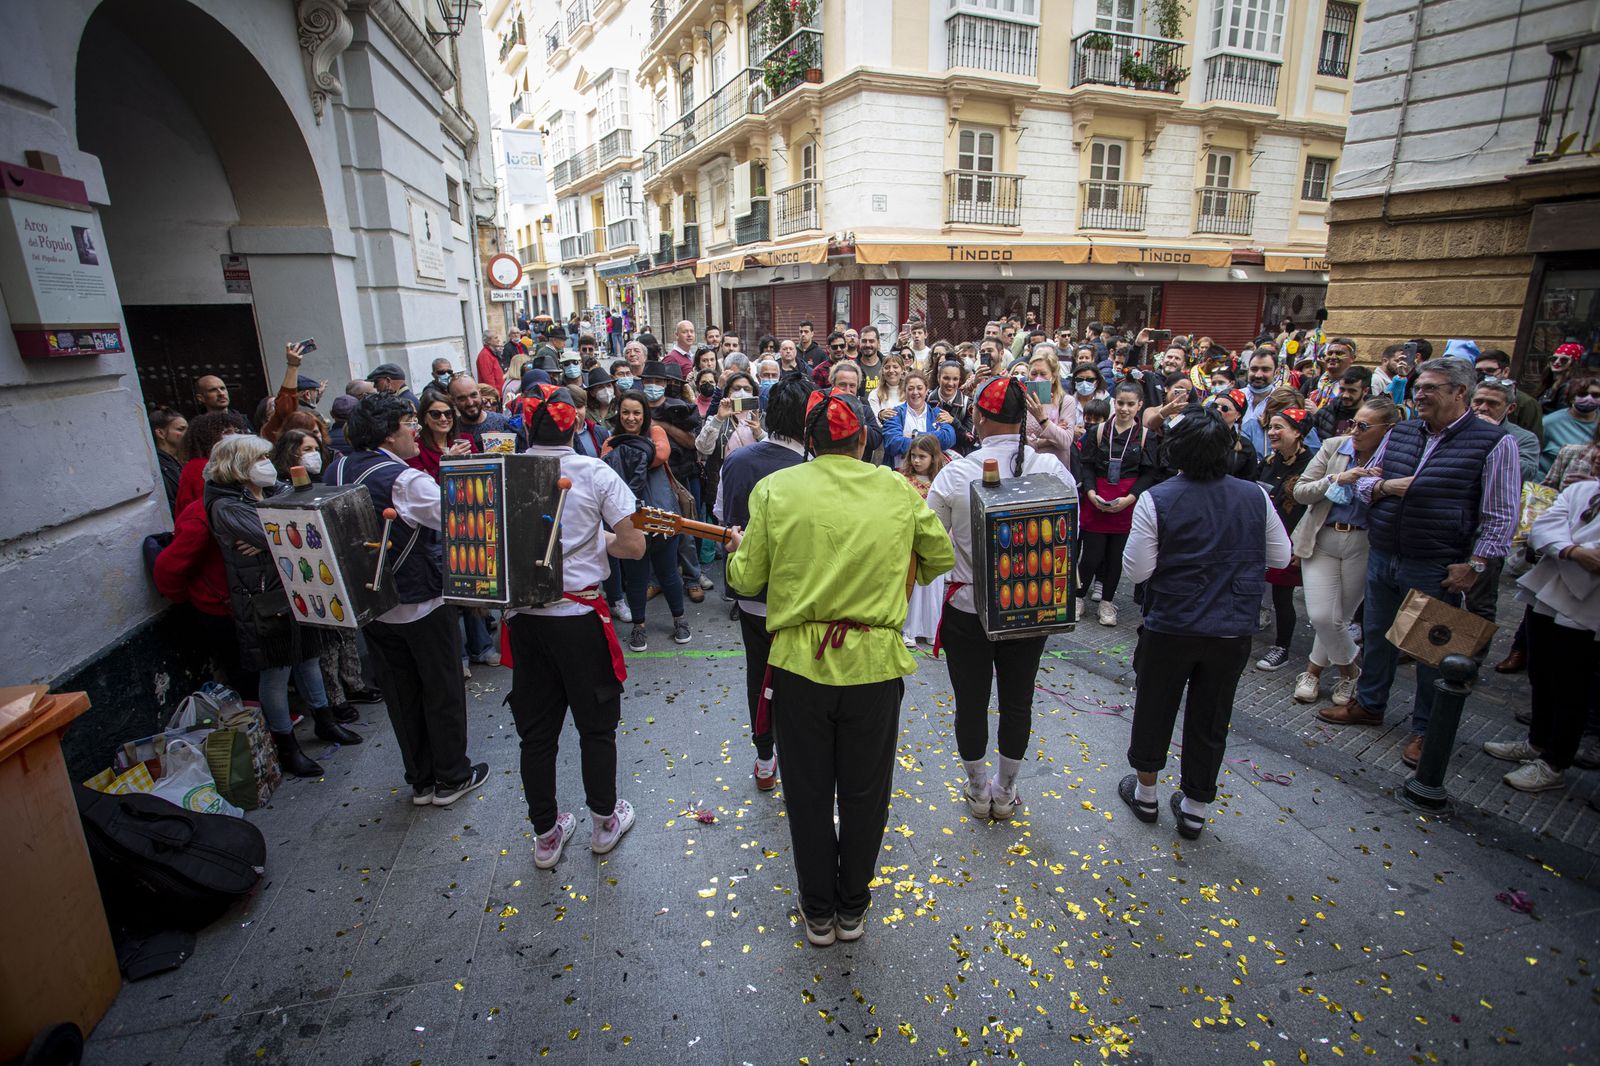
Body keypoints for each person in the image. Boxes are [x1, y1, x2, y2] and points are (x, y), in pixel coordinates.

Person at [725, 389, 954, 946]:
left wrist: (738, 550)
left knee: (805, 792)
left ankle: (818, 910)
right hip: (875, 665)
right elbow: (940, 555)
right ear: (862, 440)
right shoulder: (896, 488)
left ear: (810, 440)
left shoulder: (776, 488)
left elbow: (745, 580)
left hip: (799, 668)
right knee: (865, 792)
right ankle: (852, 906)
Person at [1317, 358, 1520, 769]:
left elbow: (1502, 515)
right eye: (1418, 387)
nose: (1420, 394)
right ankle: (1370, 704)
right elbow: (1366, 482)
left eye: (1431, 387)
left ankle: (1428, 729)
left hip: (1438, 562)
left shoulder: (1494, 442)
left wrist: (1475, 565)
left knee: (1432, 653)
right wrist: (1386, 486)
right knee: (1377, 636)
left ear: (1459, 392)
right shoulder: (1403, 431)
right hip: (1385, 552)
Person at [493, 385, 649, 867]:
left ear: (526, 426)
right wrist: (598, 542)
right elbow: (634, 546)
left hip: (525, 623)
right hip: (579, 621)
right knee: (595, 727)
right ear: (577, 426)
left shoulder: (502, 472)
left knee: (536, 734)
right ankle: (604, 823)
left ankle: (545, 835)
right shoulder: (595, 472)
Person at [1117, 409, 1292, 839]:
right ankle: (1194, 807)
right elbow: (1281, 557)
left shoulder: (1157, 498)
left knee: (1155, 706)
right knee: (1211, 716)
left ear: (1175, 452)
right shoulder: (1255, 495)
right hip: (1230, 627)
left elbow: (1137, 569)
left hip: (1172, 624)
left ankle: (1146, 794)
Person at [329, 393, 490, 807]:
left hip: (372, 602)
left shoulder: (338, 467)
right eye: (408, 422)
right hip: (419, 598)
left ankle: (421, 779)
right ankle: (452, 776)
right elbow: (460, 518)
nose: (416, 429)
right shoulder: (404, 479)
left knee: (401, 695)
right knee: (442, 689)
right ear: (388, 433)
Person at [929, 378, 1076, 820]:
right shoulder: (1051, 471)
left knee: (970, 702)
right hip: (1029, 607)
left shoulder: (955, 473)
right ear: (1023, 417)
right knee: (1018, 700)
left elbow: (932, 546)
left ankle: (978, 790)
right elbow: (1069, 537)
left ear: (977, 416)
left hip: (968, 609)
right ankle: (1006, 790)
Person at [204, 435, 356, 777]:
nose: (267, 465)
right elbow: (286, 533)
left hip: (297, 587)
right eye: (258, 458)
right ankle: (286, 746)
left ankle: (325, 720)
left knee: (309, 657)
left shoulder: (273, 492)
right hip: (263, 599)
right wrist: (280, 536)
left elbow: (312, 521)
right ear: (238, 465)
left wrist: (278, 537)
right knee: (276, 672)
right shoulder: (225, 505)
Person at [716, 375, 813, 791]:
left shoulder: (736, 461)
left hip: (753, 595)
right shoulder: (811, 468)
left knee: (759, 674)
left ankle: (764, 757)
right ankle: (798, 756)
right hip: (801, 596)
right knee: (801, 679)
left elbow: (724, 520)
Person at [1480, 479, 1600, 792]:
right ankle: (1536, 741)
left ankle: (1554, 762)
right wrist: (1572, 550)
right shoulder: (1581, 491)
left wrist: (1566, 549)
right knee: (1541, 671)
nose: (1596, 456)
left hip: (1588, 605)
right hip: (1549, 590)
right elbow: (1543, 528)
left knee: (1571, 685)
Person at [1289, 399, 1401, 703]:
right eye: (1353, 423)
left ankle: (1312, 673)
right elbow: (1301, 491)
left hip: (1365, 543)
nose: (1354, 430)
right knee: (1322, 615)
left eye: (1363, 426)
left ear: (1387, 430)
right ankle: (1352, 672)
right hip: (1322, 538)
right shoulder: (1334, 447)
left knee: (1340, 616)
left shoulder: (1396, 457)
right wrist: (1336, 478)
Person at [603, 392, 691, 650]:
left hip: (662, 515)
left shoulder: (655, 434)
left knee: (668, 573)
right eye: (626, 413)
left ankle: (680, 619)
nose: (631, 418)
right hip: (629, 520)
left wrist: (626, 453)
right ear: (619, 415)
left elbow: (660, 455)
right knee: (636, 577)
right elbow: (605, 466)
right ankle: (638, 626)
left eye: (637, 413)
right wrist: (636, 451)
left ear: (645, 415)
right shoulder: (609, 441)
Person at [1077, 382, 1157, 626]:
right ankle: (1077, 597)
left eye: (1130, 404)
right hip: (1096, 498)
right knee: (1090, 556)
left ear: (1139, 406)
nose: (1124, 409)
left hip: (1127, 501)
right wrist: (1090, 493)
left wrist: (1130, 498)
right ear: (1114, 402)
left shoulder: (1146, 436)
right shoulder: (1099, 431)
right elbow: (1087, 465)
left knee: (1115, 558)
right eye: (1120, 403)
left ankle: (1107, 602)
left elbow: (1148, 473)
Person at [1254, 408, 1316, 671]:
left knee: (1282, 597)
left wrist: (1301, 546)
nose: (1272, 432)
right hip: (1259, 539)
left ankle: (1282, 647)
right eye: (1270, 427)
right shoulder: (1269, 462)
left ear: (1298, 432)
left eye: (1279, 427)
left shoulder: (1313, 466)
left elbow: (1313, 510)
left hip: (1290, 541)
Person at [898, 434, 950, 649]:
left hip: (934, 538)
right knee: (913, 585)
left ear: (933, 457)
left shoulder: (942, 481)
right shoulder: (903, 480)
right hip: (911, 541)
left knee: (932, 587)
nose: (917, 461)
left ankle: (930, 629)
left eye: (922, 456)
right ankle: (909, 629)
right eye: (914, 456)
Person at [174, 410, 250, 515]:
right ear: (208, 437)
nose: (235, 436)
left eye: (236, 431)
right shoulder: (200, 467)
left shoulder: (228, 462)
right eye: (227, 432)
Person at [881, 370, 956, 467]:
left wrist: (915, 435)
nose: (915, 392)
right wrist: (933, 439)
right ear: (905, 391)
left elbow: (948, 438)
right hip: (899, 474)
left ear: (926, 391)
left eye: (919, 388)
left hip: (930, 475)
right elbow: (892, 444)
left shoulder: (936, 413)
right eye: (910, 388)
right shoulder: (895, 413)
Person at [1472, 380, 1541, 483]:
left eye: (1492, 403)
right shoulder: (1453, 428)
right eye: (1478, 401)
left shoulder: (1525, 438)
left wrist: (1495, 436)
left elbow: (1527, 473)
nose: (1482, 408)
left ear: (1510, 408)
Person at [1540, 373, 1600, 475]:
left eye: (1595, 395)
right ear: (1571, 397)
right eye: (1582, 394)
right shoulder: (1549, 422)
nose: (1589, 398)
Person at [447, 373, 514, 451]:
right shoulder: (451, 430)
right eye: (462, 398)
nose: (470, 403)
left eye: (473, 395)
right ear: (453, 401)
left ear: (480, 393)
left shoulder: (503, 422)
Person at [1208, 388, 1261, 480]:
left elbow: (1249, 481)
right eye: (1214, 406)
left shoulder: (1245, 447)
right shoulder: (1198, 435)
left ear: (1238, 415)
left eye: (1225, 408)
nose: (1218, 410)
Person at [1312, 367, 1372, 441]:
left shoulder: (1373, 419)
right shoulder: (1324, 414)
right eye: (1342, 389)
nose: (1345, 395)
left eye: (1352, 391)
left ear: (1365, 391)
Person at [150, 408, 189, 516]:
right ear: (161, 433)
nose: (187, 434)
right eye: (181, 429)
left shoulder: (178, 460)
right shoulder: (159, 465)